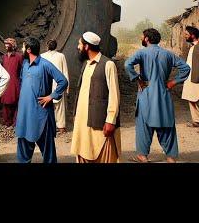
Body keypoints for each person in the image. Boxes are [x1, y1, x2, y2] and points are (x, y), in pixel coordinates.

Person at [125, 28, 190, 163]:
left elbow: (127, 64)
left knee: (144, 125)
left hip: (146, 93)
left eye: (142, 37)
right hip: (163, 93)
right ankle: (171, 157)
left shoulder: (142, 53)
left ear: (147, 39)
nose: (141, 39)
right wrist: (173, 82)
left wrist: (137, 78)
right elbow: (186, 68)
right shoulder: (168, 54)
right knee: (166, 123)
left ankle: (142, 156)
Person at [71, 32, 122, 163]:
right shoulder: (86, 64)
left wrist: (111, 120)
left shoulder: (108, 64)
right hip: (83, 122)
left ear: (87, 47)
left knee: (102, 155)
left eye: (80, 44)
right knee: (83, 151)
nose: (78, 47)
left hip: (100, 122)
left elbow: (114, 94)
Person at [16, 36, 68, 164]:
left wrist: (51, 96)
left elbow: (63, 81)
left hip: (41, 116)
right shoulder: (25, 64)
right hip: (25, 115)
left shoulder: (45, 65)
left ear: (28, 49)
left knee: (49, 155)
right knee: (23, 154)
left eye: (23, 47)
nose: (21, 49)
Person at [40, 39, 69, 133]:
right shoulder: (61, 56)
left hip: (46, 84)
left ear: (47, 46)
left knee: (46, 106)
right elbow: (65, 72)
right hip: (59, 84)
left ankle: (47, 126)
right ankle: (61, 127)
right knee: (60, 107)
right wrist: (67, 88)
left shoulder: (42, 56)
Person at [0, 37, 23, 127]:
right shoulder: (4, 57)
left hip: (15, 82)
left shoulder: (19, 56)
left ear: (13, 46)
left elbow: (22, 69)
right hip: (6, 83)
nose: (6, 46)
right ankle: (7, 121)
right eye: (5, 44)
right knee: (5, 102)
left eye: (8, 44)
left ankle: (15, 122)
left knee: (15, 101)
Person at [181, 25, 199, 128]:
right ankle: (196, 121)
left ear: (192, 35)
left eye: (187, 34)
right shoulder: (193, 47)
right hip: (191, 77)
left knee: (196, 98)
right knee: (191, 98)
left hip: (196, 78)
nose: (185, 36)